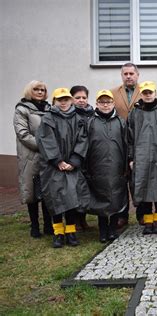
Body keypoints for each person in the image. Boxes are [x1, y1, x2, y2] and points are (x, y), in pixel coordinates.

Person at [36, 88, 89, 248]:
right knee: (56, 198)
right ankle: (58, 232)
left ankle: (71, 231)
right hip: (53, 167)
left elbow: (83, 140)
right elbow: (46, 141)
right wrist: (58, 161)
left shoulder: (78, 118)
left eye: (66, 99)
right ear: (54, 102)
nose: (64, 102)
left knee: (72, 198)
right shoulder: (47, 119)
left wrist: (73, 161)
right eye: (60, 100)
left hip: (72, 166)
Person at [127, 81, 157, 235]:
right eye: (145, 93)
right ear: (141, 94)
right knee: (144, 188)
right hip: (140, 157)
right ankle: (148, 221)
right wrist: (130, 157)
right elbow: (129, 137)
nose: (148, 95)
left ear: (155, 93)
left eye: (150, 92)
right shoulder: (134, 113)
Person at [86, 90, 128, 243]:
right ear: (97, 104)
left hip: (117, 167)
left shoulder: (120, 121)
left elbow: (126, 144)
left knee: (116, 197)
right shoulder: (90, 122)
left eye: (108, 102)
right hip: (97, 167)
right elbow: (85, 146)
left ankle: (113, 229)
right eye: (102, 102)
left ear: (113, 103)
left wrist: (126, 166)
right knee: (100, 199)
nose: (105, 105)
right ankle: (102, 230)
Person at [13, 80, 53, 238]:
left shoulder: (49, 108)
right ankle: (35, 225)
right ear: (29, 91)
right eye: (36, 89)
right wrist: (45, 146)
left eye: (43, 89)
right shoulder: (22, 109)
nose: (40, 92)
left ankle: (48, 225)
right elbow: (22, 133)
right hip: (30, 155)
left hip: (48, 156)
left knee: (47, 191)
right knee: (32, 192)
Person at [111, 63, 141, 228]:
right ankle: (122, 215)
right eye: (125, 74)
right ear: (121, 75)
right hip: (119, 142)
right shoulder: (113, 93)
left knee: (139, 178)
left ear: (137, 75)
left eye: (131, 73)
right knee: (121, 179)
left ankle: (141, 213)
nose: (128, 76)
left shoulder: (145, 91)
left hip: (139, 141)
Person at [70, 85, 94, 231]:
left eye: (84, 97)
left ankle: (83, 218)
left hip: (90, 156)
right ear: (72, 99)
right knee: (75, 189)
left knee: (86, 189)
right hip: (76, 156)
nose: (81, 100)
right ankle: (75, 220)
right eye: (77, 98)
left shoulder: (91, 113)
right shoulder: (70, 114)